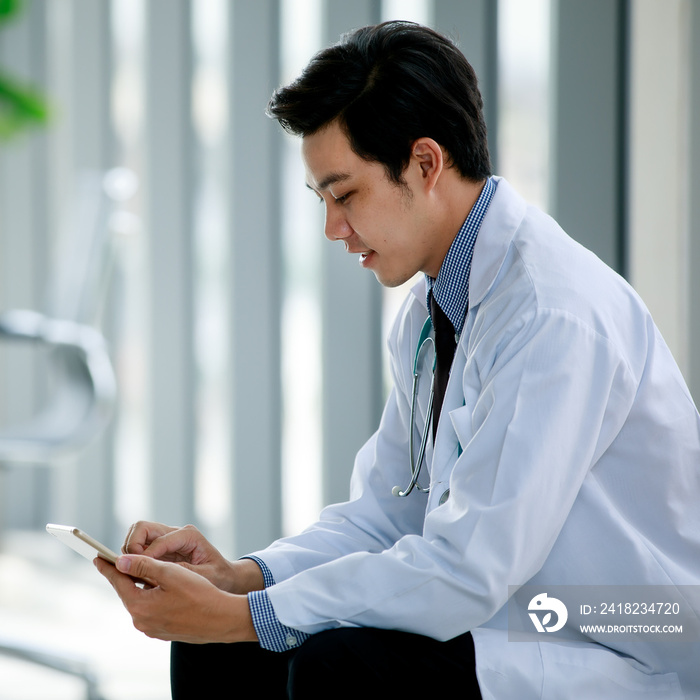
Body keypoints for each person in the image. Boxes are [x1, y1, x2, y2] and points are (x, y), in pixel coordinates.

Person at [96, 21, 700, 699]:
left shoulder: (552, 314)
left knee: (338, 666)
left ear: (424, 163)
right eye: (322, 199)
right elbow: (384, 518)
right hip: (521, 612)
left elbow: (469, 569)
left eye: (346, 194)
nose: (332, 227)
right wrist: (245, 580)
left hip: (618, 632)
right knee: (220, 651)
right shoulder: (433, 310)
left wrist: (249, 615)